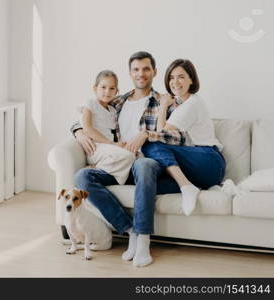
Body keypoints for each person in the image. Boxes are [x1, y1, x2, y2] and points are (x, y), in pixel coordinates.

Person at [72, 51, 186, 267]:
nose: (140, 74)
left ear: (154, 71)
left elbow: (178, 137)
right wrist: (77, 131)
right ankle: (130, 230)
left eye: (146, 69)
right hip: (117, 164)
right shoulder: (118, 101)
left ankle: (143, 239)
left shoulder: (164, 102)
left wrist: (147, 135)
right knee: (82, 177)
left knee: (143, 166)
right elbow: (91, 115)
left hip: (147, 162)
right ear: (130, 73)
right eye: (136, 69)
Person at [141, 59, 226, 215]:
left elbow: (161, 134)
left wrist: (163, 105)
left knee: (150, 143)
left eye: (181, 77)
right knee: (147, 183)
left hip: (209, 160)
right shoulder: (181, 104)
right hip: (200, 170)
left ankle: (186, 187)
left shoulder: (191, 104)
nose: (175, 82)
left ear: (191, 80)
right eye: (171, 78)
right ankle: (196, 186)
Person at [80, 70, 136, 185]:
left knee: (135, 155)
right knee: (128, 156)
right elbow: (87, 128)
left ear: (117, 91)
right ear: (95, 88)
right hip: (95, 148)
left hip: (109, 149)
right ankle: (95, 167)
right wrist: (111, 144)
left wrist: (120, 144)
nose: (107, 91)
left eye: (112, 88)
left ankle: (108, 174)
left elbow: (114, 133)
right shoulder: (90, 103)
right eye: (103, 87)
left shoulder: (113, 110)